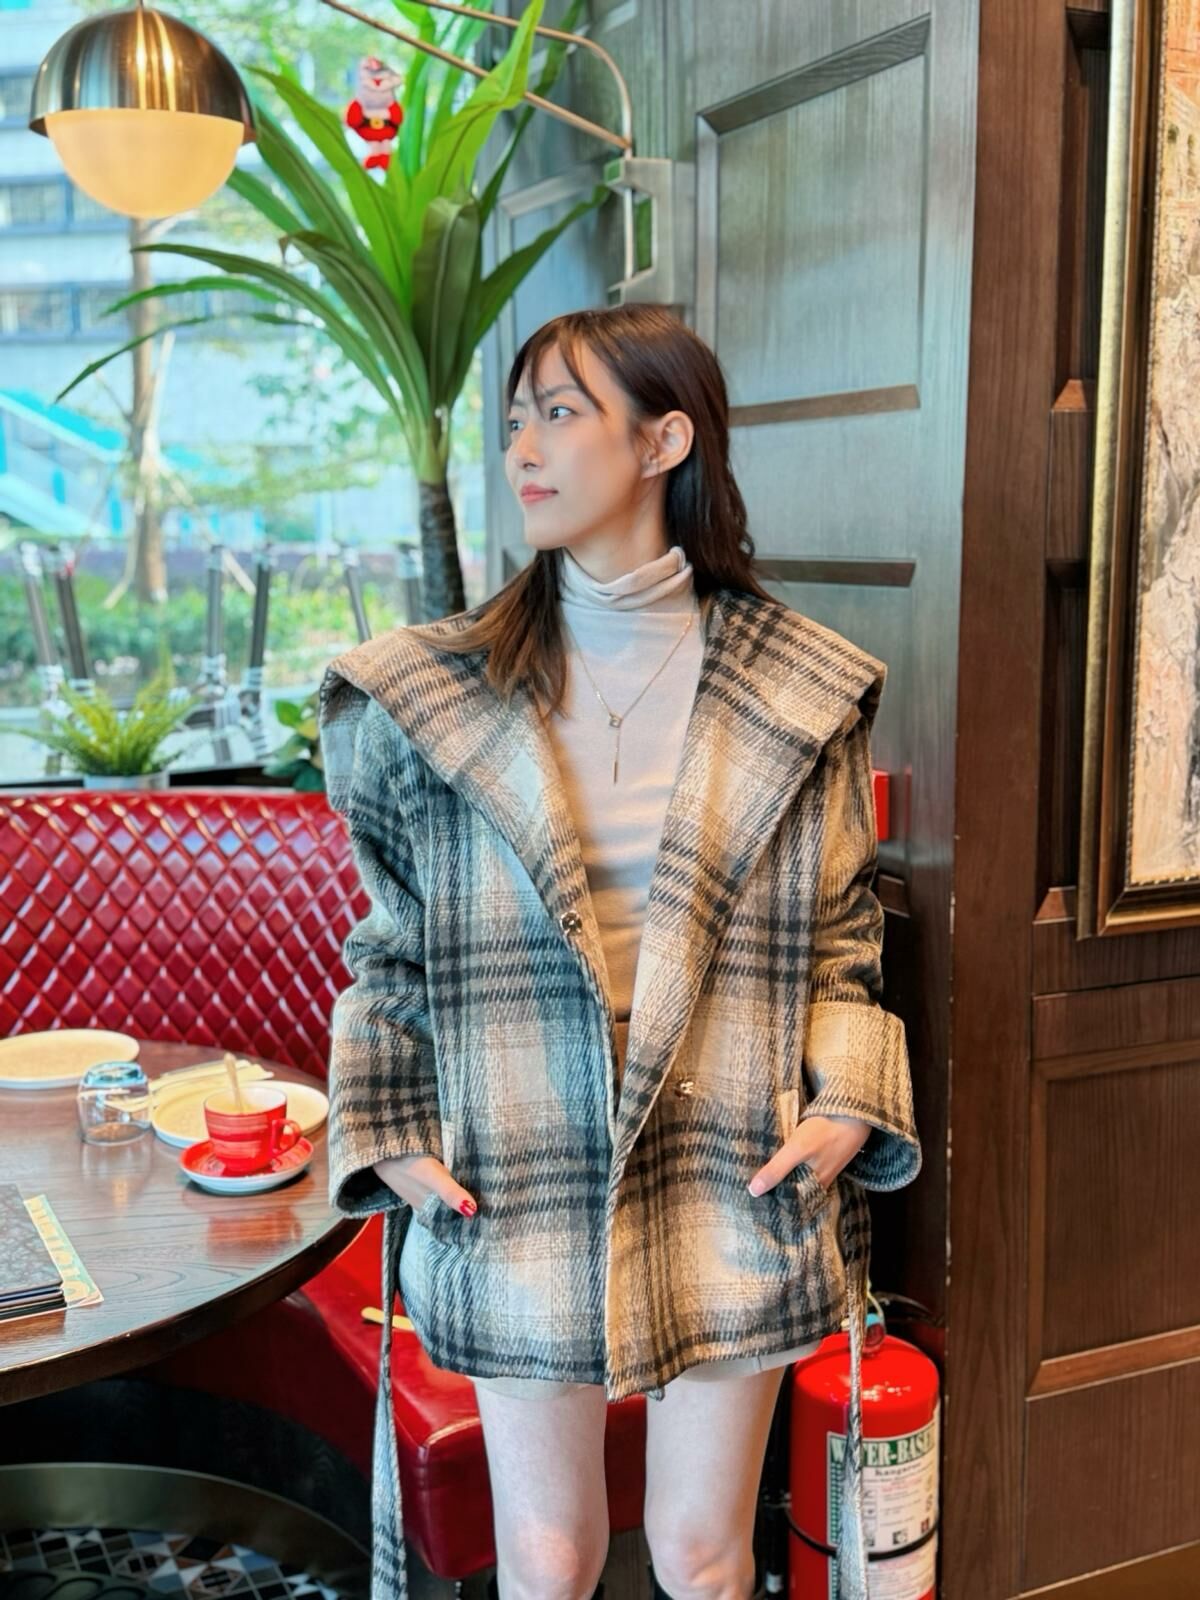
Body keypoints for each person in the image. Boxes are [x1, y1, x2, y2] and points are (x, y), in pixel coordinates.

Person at [317, 303, 922, 1600]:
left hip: (729, 1167)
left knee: (704, 1555)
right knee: (548, 1559)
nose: (523, 449)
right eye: (516, 420)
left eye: (561, 412)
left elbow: (843, 937)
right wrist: (396, 1131)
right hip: (511, 1167)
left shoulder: (800, 687)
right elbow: (391, 952)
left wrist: (844, 1106)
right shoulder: (433, 695)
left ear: (663, 442)